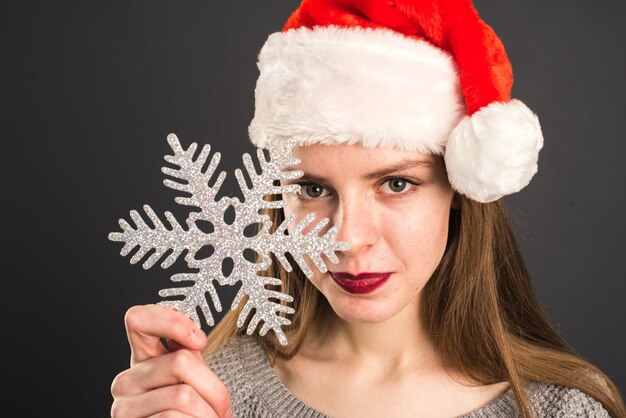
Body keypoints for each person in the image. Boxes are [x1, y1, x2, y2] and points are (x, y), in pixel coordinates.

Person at [110, 1, 626, 417]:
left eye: (396, 183)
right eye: (312, 188)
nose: (347, 238)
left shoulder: (561, 409)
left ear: (460, 189)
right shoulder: (203, 395)